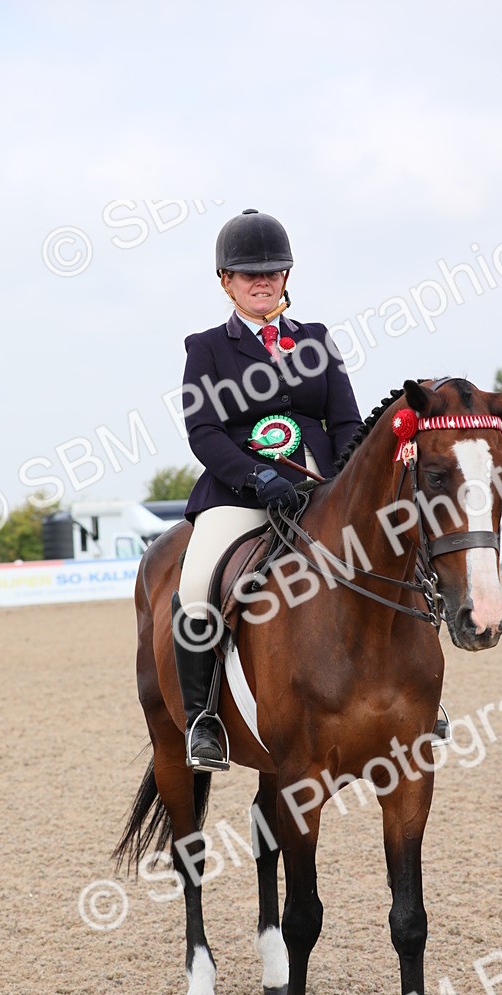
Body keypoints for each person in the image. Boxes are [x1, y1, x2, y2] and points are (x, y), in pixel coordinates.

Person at [173, 208, 363, 770]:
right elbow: (203, 430)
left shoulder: (318, 340)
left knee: (391, 552)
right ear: (226, 281)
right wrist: (257, 477)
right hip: (239, 492)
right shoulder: (207, 348)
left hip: (322, 488)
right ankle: (203, 718)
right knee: (196, 585)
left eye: (273, 271)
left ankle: (417, 698)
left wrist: (342, 479)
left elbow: (347, 421)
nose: (263, 281)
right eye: (248, 273)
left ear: (286, 277)